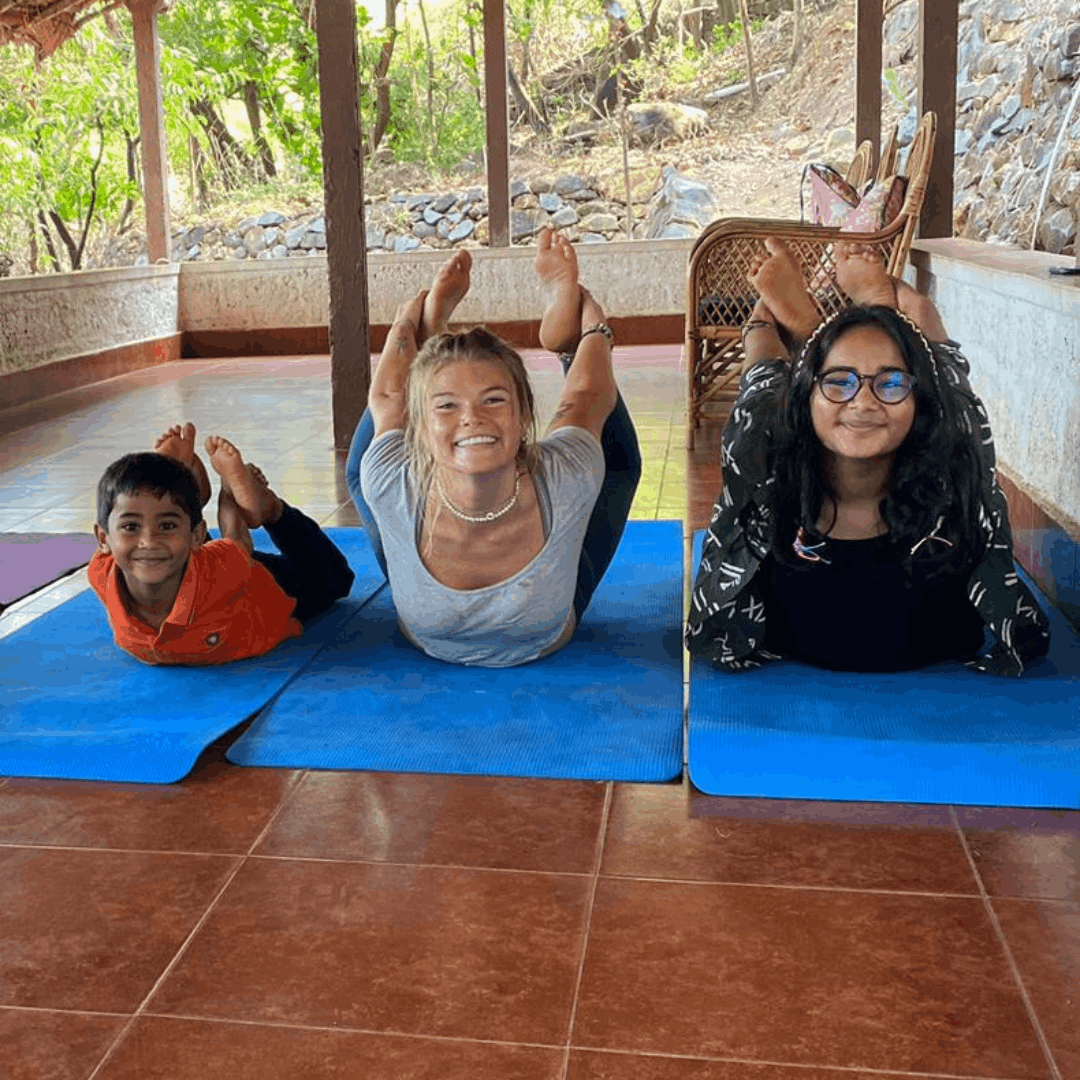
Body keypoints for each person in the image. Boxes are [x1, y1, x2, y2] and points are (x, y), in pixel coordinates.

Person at [686, 238, 1050, 676]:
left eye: (891, 384)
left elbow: (934, 365)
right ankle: (816, 329)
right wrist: (765, 317)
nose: (863, 402)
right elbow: (765, 363)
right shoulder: (764, 458)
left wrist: (896, 300)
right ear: (806, 398)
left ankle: (872, 312)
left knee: (945, 379)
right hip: (792, 421)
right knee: (763, 379)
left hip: (930, 431)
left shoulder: (954, 459)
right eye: (840, 382)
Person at [345, 227, 642, 666]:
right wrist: (409, 326)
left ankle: (565, 344)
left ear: (523, 417)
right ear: (421, 429)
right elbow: (389, 398)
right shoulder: (392, 481)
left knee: (613, 462)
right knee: (363, 472)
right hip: (426, 585)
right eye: (447, 406)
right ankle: (433, 336)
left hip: (547, 619)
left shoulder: (564, 478)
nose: (472, 417)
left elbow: (585, 398)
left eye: (494, 399)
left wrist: (592, 330)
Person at [91, 423, 354, 664]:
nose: (148, 541)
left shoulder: (221, 571)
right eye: (130, 527)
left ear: (198, 535)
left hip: (259, 585)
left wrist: (230, 496)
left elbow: (236, 542)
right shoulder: (101, 573)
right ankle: (184, 485)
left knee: (336, 579)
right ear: (103, 539)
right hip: (192, 562)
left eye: (165, 525)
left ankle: (269, 508)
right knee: (173, 545)